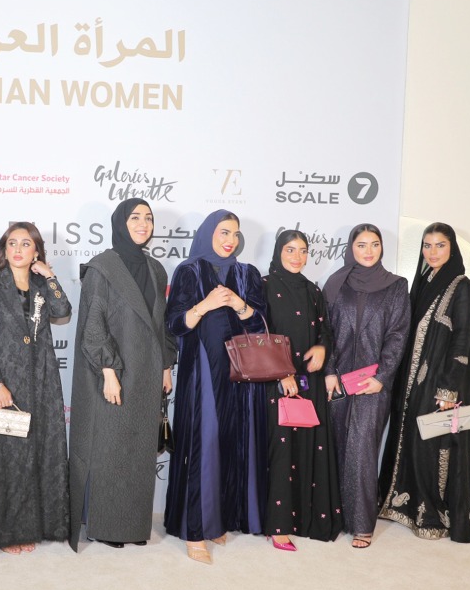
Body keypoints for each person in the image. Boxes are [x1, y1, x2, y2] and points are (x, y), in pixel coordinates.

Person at [68, 199, 176, 550]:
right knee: (110, 450)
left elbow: (161, 323)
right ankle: (105, 527)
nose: (143, 224)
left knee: (138, 452)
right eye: (135, 217)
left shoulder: (156, 269)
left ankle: (132, 526)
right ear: (120, 223)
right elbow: (93, 324)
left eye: (149, 218)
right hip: (113, 371)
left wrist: (166, 365)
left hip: (147, 372)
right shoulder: (102, 267)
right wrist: (109, 371)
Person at [164, 210, 268, 564]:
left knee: (229, 445)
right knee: (203, 445)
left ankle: (217, 521)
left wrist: (240, 304)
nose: (230, 240)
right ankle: (195, 530)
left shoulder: (247, 273)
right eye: (224, 232)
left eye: (235, 234)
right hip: (202, 374)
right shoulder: (189, 271)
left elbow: (261, 326)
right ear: (209, 233)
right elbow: (175, 324)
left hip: (240, 377)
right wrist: (204, 305)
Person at [0, 222, 72, 554]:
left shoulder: (42, 285)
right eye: (12, 243)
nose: (17, 249)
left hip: (41, 383)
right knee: (3, 460)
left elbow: (63, 311)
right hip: (3, 384)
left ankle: (32, 527)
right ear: (4, 249)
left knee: (35, 456)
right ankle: (5, 533)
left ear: (36, 251)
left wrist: (50, 276)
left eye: (26, 244)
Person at [378, 222, 470, 543]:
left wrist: (449, 389)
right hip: (412, 380)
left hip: (440, 382)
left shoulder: (462, 286)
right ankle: (401, 504)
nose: (432, 252)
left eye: (440, 245)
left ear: (452, 248)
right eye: (427, 245)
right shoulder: (423, 281)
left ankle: (430, 512)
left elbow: (462, 339)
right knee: (408, 440)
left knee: (431, 445)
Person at [322, 223, 409, 549]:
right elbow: (325, 332)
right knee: (334, 447)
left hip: (373, 384)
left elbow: (398, 334)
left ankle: (361, 524)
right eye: (361, 245)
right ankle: (334, 517)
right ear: (351, 248)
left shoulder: (396, 286)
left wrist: (382, 376)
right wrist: (329, 371)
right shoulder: (335, 284)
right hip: (338, 381)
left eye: (374, 244)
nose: (368, 251)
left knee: (362, 449)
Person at [262, 229, 341, 549]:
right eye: (290, 250)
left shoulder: (312, 290)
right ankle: (278, 525)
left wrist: (322, 347)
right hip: (276, 382)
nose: (297, 257)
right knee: (281, 451)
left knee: (308, 447)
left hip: (309, 383)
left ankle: (305, 517)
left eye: (303, 251)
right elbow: (259, 333)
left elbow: (326, 329)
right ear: (278, 252)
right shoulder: (264, 286)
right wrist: (282, 373)